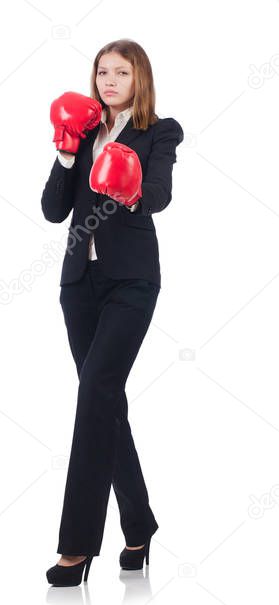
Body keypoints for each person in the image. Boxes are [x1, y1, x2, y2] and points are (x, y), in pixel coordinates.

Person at [42, 38, 184, 587]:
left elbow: (160, 196)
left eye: (120, 72)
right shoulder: (79, 127)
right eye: (102, 71)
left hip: (132, 280)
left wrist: (130, 189)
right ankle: (140, 522)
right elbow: (54, 211)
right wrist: (66, 152)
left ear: (138, 78)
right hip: (79, 282)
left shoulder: (159, 130)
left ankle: (76, 546)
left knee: (94, 391)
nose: (108, 81)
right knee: (104, 398)